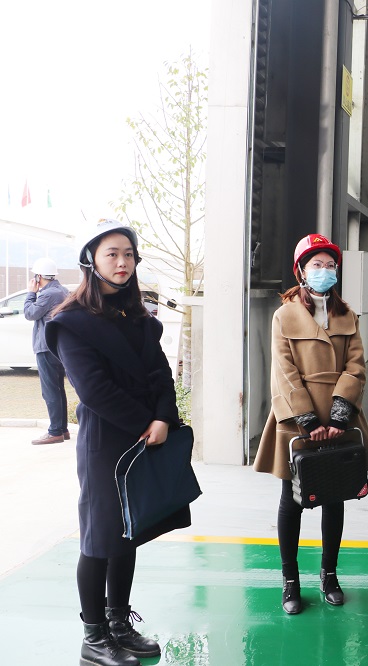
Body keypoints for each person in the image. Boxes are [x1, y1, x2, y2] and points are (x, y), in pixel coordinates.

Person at [46, 219, 186, 666]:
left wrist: (163, 416)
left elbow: (161, 374)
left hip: (146, 437)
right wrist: (147, 422)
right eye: (112, 254)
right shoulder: (71, 322)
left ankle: (119, 624)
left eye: (129, 254)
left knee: (129, 531)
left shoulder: (139, 317)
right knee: (99, 537)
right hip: (106, 441)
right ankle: (94, 637)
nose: (122, 262)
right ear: (91, 261)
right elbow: (94, 390)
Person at [253, 233, 368, 615]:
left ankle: (329, 575)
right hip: (297, 418)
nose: (325, 270)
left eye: (330, 265)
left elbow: (356, 365)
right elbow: (283, 370)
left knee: (335, 498)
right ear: (301, 271)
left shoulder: (347, 315)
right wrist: (307, 420)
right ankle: (290, 581)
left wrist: (340, 415)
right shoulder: (284, 315)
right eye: (317, 265)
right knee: (291, 501)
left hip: (340, 417)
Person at [23, 256, 71, 445]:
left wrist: (30, 293)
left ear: (39, 276)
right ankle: (62, 429)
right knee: (58, 389)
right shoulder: (62, 291)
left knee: (50, 391)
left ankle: (55, 431)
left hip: (46, 348)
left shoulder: (48, 294)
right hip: (57, 347)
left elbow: (30, 313)